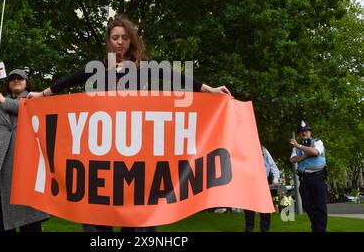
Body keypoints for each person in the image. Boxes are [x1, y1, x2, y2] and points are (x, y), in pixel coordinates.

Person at [28, 15, 232, 232]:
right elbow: (72, 79)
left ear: (131, 40)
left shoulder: (144, 67)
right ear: (109, 40)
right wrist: (42, 94)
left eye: (124, 37)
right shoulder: (100, 68)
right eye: (115, 37)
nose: (119, 42)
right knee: (98, 204)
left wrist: (208, 89)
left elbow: (173, 76)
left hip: (135, 145)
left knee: (138, 204)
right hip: (105, 146)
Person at [0, 68, 49, 232]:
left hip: (25, 172)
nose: (16, 80)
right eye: (12, 78)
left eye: (20, 78)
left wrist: (3, 101)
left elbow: (32, 109)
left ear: (27, 83)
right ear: (7, 83)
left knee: (30, 222)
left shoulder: (34, 100)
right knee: (1, 221)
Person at [289, 120, 327, 232]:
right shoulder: (295, 148)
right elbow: (292, 159)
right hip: (304, 180)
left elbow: (315, 152)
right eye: (301, 132)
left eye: (306, 131)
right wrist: (306, 154)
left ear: (310, 132)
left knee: (320, 206)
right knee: (308, 206)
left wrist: (299, 145)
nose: (304, 133)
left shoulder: (317, 142)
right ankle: (316, 228)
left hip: (317, 177)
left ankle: (320, 230)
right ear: (299, 134)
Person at [244, 146, 280, 232]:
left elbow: (274, 168)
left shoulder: (264, 150)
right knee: (249, 208)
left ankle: (265, 229)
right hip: (249, 181)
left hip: (264, 180)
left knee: (265, 208)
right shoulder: (245, 148)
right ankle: (249, 228)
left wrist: (275, 180)